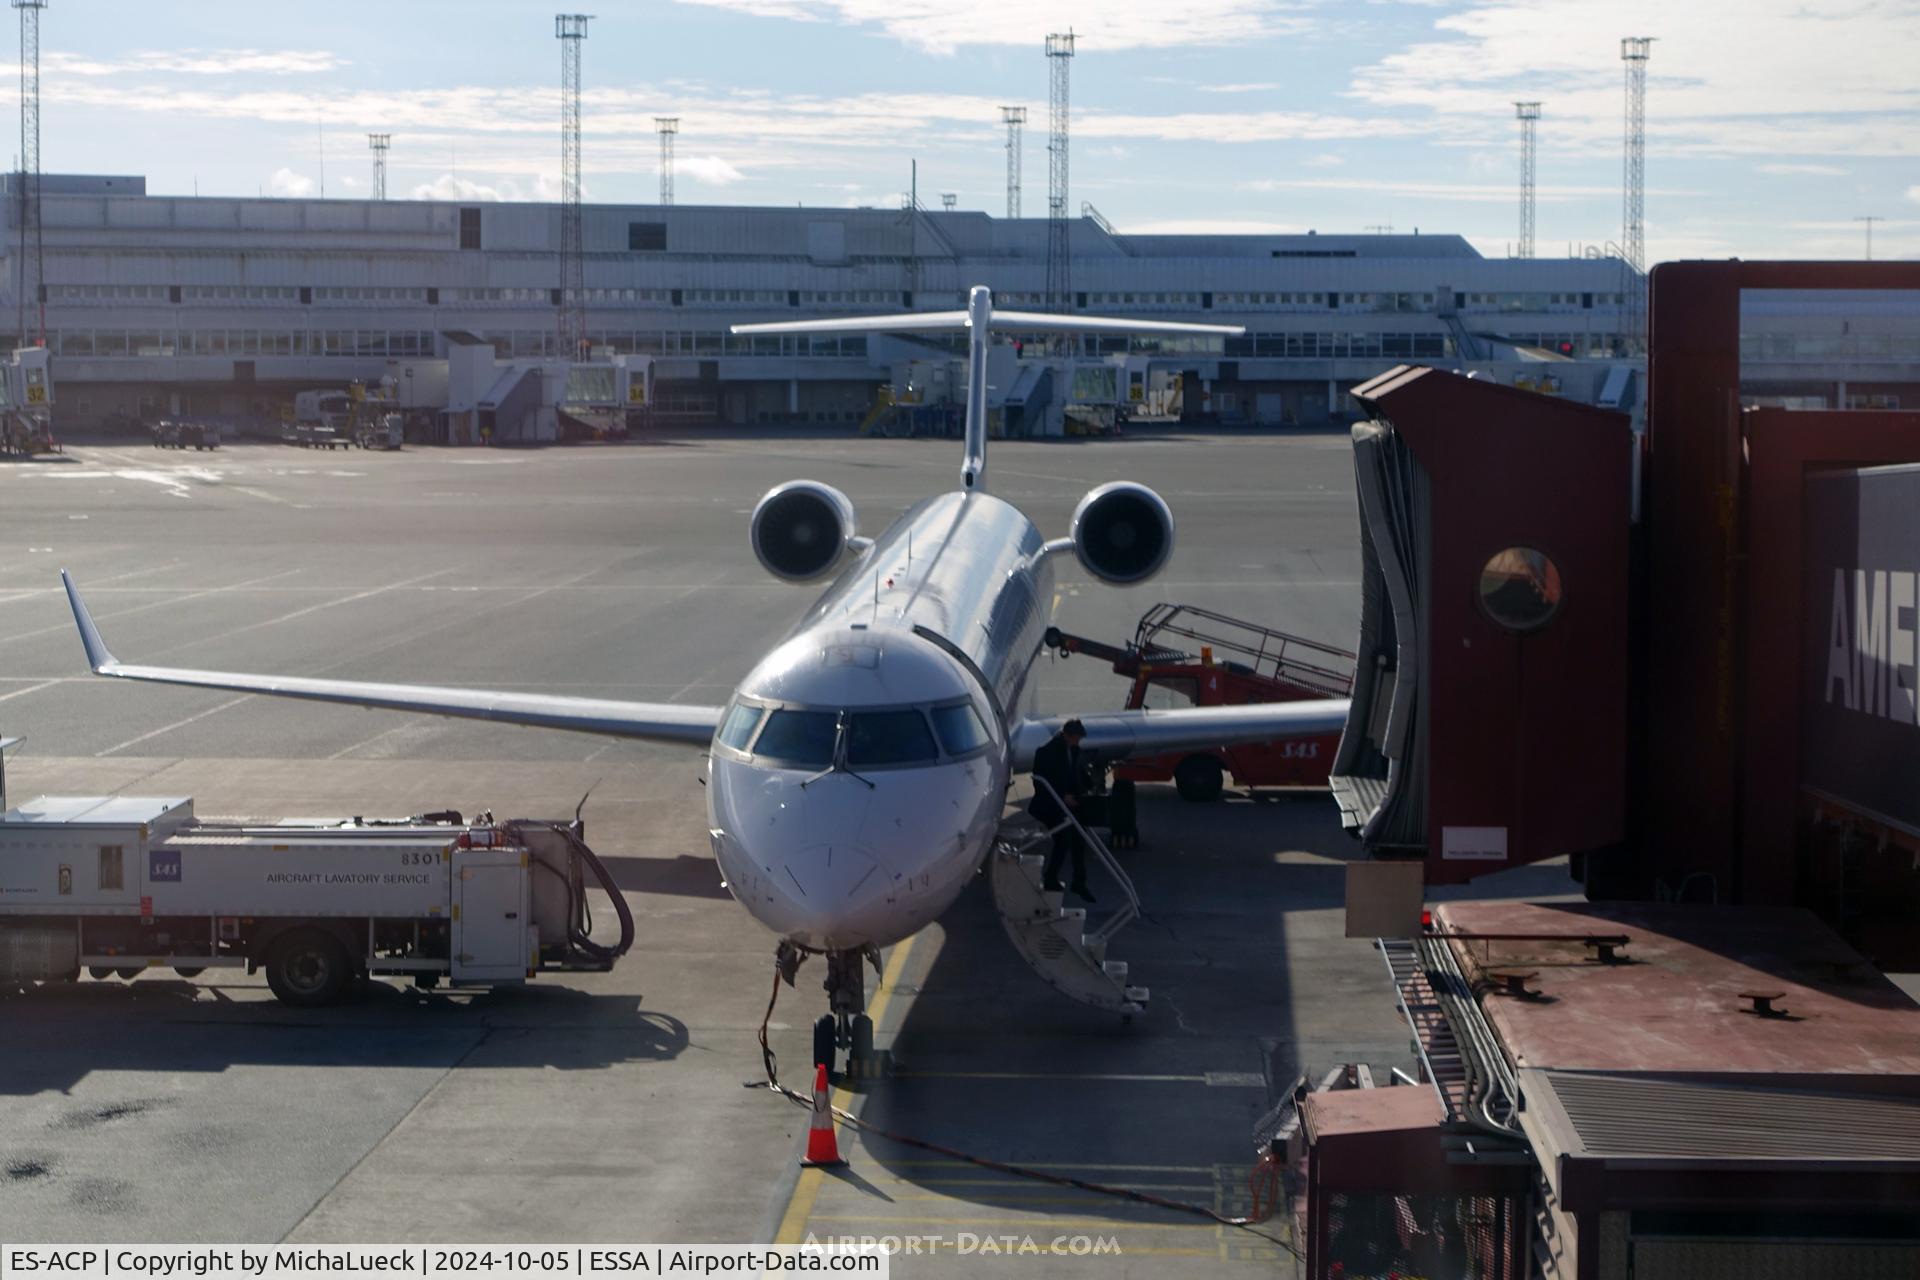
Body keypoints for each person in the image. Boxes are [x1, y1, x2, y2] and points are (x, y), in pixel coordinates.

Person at [1028, 719, 1096, 902]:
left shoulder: (1074, 750)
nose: (1078, 742)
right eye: (1076, 738)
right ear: (1067, 735)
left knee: (1078, 840)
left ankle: (1079, 882)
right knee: (1062, 840)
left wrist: (1087, 787)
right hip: (1051, 804)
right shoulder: (1046, 753)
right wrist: (1062, 796)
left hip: (1069, 803)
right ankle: (1050, 878)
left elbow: (1076, 775)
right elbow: (1040, 782)